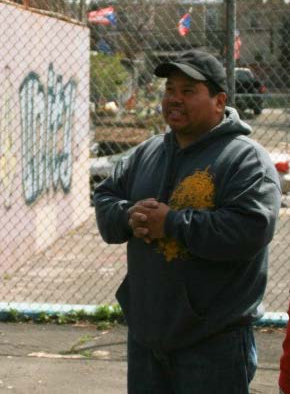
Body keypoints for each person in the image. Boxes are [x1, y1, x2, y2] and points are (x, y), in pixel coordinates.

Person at [93, 50, 281, 394]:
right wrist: (127, 215)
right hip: (148, 341)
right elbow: (105, 198)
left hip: (214, 345)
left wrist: (173, 224)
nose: (174, 99)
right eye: (170, 90)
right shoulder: (147, 153)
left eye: (188, 91)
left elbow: (251, 229)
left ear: (219, 101)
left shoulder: (245, 159)